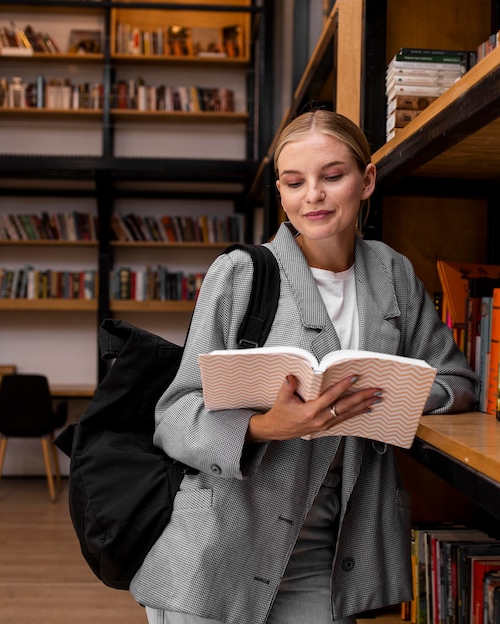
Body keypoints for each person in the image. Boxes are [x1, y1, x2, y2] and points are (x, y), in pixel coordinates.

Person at [129, 110, 479, 624]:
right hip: (219, 547)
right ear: (281, 190)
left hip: (331, 553)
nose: (312, 195)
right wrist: (266, 426)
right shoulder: (240, 275)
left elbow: (456, 382)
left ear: (367, 181)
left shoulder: (393, 273)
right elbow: (176, 415)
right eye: (295, 182)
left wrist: (384, 395)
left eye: (332, 176)